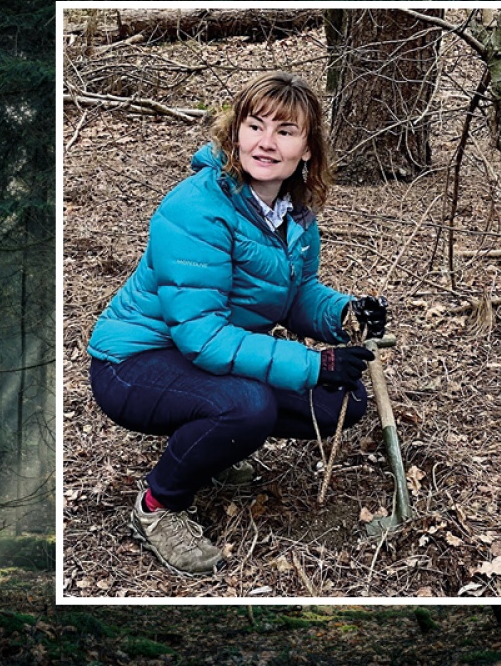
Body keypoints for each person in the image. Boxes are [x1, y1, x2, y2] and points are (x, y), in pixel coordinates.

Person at [87, 71, 388, 575]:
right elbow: (199, 335)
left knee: (345, 401)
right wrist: (313, 364)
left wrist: (343, 313)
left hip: (203, 352)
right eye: (255, 125)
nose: (266, 143)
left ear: (307, 149)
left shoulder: (295, 212)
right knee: (247, 406)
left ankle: (212, 449)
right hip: (134, 361)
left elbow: (295, 295)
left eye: (285, 131)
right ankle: (158, 508)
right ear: (236, 133)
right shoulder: (196, 208)